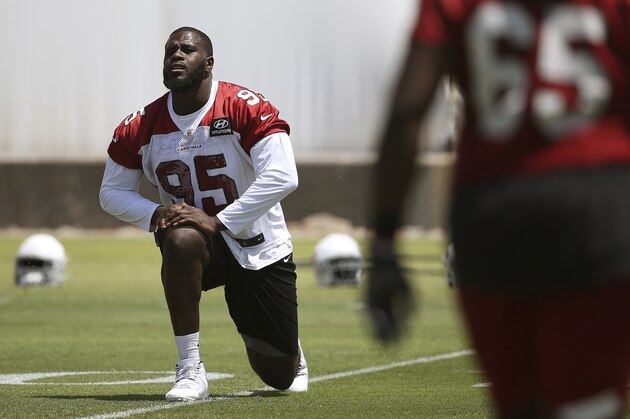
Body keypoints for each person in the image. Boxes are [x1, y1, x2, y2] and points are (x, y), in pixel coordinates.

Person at [367, 1, 630, 418]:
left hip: (494, 208)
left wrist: (383, 241)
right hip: (595, 201)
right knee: (590, 407)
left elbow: (407, 112)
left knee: (520, 407)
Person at [99, 26, 307, 401]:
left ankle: (291, 346)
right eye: (170, 50)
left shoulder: (244, 105)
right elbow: (111, 192)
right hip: (201, 245)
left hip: (256, 244)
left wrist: (219, 220)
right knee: (179, 239)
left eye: (187, 50)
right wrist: (157, 213)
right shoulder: (142, 124)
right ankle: (190, 368)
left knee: (280, 377)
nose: (176, 56)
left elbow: (283, 175)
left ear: (208, 63)